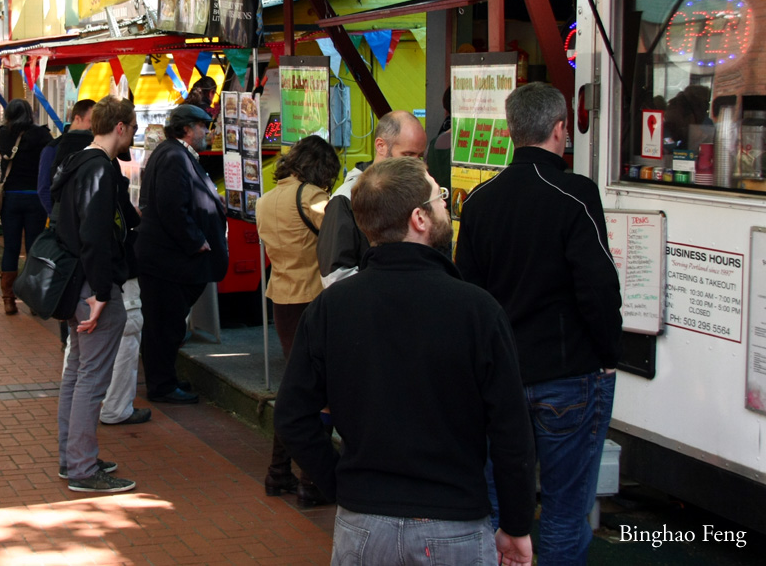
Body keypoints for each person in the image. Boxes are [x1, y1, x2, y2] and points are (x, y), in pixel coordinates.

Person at [275, 157, 536, 566]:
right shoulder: (477, 310)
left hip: (363, 523)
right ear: (419, 218)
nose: (446, 205)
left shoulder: (331, 308)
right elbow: (511, 430)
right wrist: (517, 525)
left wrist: (341, 483)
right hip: (453, 522)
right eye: (439, 198)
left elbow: (292, 415)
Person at [455, 82, 622, 566]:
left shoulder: (480, 200)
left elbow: (469, 295)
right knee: (565, 512)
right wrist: (609, 354)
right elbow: (597, 288)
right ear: (560, 130)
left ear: (510, 131)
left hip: (501, 378)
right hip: (569, 375)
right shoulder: (576, 194)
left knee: (495, 507)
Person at [51, 96, 140, 493]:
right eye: (132, 128)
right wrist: (102, 292)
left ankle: (73, 458)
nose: (132, 136)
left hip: (75, 280)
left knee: (76, 374)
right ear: (120, 127)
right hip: (92, 285)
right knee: (90, 379)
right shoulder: (100, 168)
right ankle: (83, 468)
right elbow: (96, 235)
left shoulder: (78, 161)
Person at [254, 135, 339, 506]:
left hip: (282, 298)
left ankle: (278, 472)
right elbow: (338, 236)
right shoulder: (312, 198)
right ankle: (312, 481)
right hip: (313, 298)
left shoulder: (265, 200)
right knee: (320, 391)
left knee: (293, 386)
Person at [134, 103, 228, 405]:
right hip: (168, 262)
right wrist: (195, 240)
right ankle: (161, 386)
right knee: (164, 326)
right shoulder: (174, 156)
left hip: (168, 261)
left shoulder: (175, 153)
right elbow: (171, 206)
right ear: (186, 129)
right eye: (203, 127)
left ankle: (166, 379)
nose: (207, 133)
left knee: (167, 324)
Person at [316, 110, 427, 286]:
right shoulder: (346, 198)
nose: (416, 164)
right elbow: (334, 275)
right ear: (381, 146)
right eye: (408, 155)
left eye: (420, 156)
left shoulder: (417, 192)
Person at [0, 99, 54, 315]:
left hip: (10, 198)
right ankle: (32, 299)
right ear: (30, 113)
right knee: (33, 248)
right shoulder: (41, 134)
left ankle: (8, 299)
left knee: (10, 247)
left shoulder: (3, 134)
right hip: (35, 198)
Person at [37, 99, 96, 215]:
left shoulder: (96, 146)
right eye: (91, 121)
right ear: (77, 119)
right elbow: (44, 188)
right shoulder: (53, 148)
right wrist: (56, 215)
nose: (94, 127)